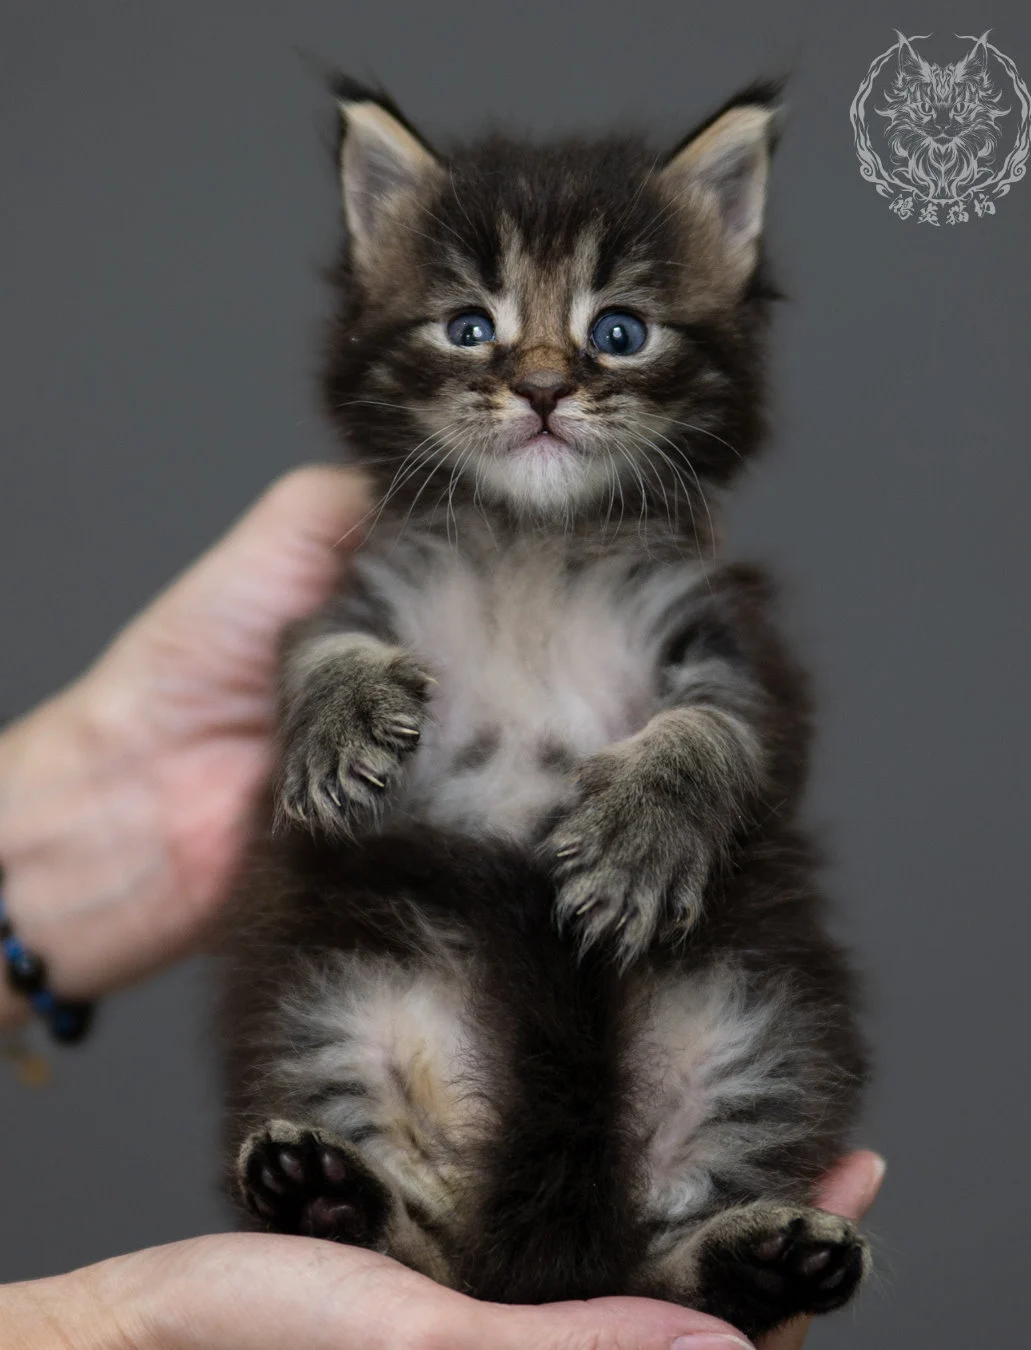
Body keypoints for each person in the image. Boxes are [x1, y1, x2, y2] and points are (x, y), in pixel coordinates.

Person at [0, 467, 884, 1350]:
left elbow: (762, 753)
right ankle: (399, 1226)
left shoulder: (681, 584)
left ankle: (692, 1260)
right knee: (359, 999)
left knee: (736, 1018)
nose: (545, 378)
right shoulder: (380, 564)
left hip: (649, 1029)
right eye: (471, 324)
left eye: (619, 332)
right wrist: (104, 1330)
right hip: (439, 995)